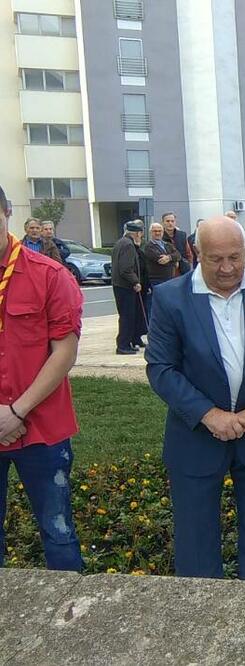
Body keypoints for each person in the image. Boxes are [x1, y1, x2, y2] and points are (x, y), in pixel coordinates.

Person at [145, 216, 245, 580]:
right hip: (196, 438)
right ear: (196, 253)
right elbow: (161, 368)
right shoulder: (171, 299)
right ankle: (201, 621)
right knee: (195, 541)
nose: (228, 268)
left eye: (236, 257)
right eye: (216, 259)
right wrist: (209, 415)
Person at [0, 183, 84, 573]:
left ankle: (70, 622)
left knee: (59, 531)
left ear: (7, 214)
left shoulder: (50, 275)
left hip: (42, 429)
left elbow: (63, 352)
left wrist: (16, 411)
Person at [111, 221, 147, 354]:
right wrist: (135, 282)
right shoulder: (128, 245)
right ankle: (123, 345)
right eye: (140, 234)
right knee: (127, 316)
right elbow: (125, 269)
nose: (141, 237)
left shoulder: (121, 242)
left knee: (127, 315)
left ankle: (128, 342)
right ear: (137, 233)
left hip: (120, 285)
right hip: (125, 286)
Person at [143, 222, 181, 303]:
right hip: (156, 280)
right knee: (159, 303)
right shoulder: (149, 246)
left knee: (169, 303)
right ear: (150, 233)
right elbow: (160, 260)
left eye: (159, 231)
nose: (157, 233)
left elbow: (178, 255)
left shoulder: (167, 244)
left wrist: (169, 257)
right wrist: (173, 262)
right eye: (155, 231)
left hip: (169, 279)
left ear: (163, 232)